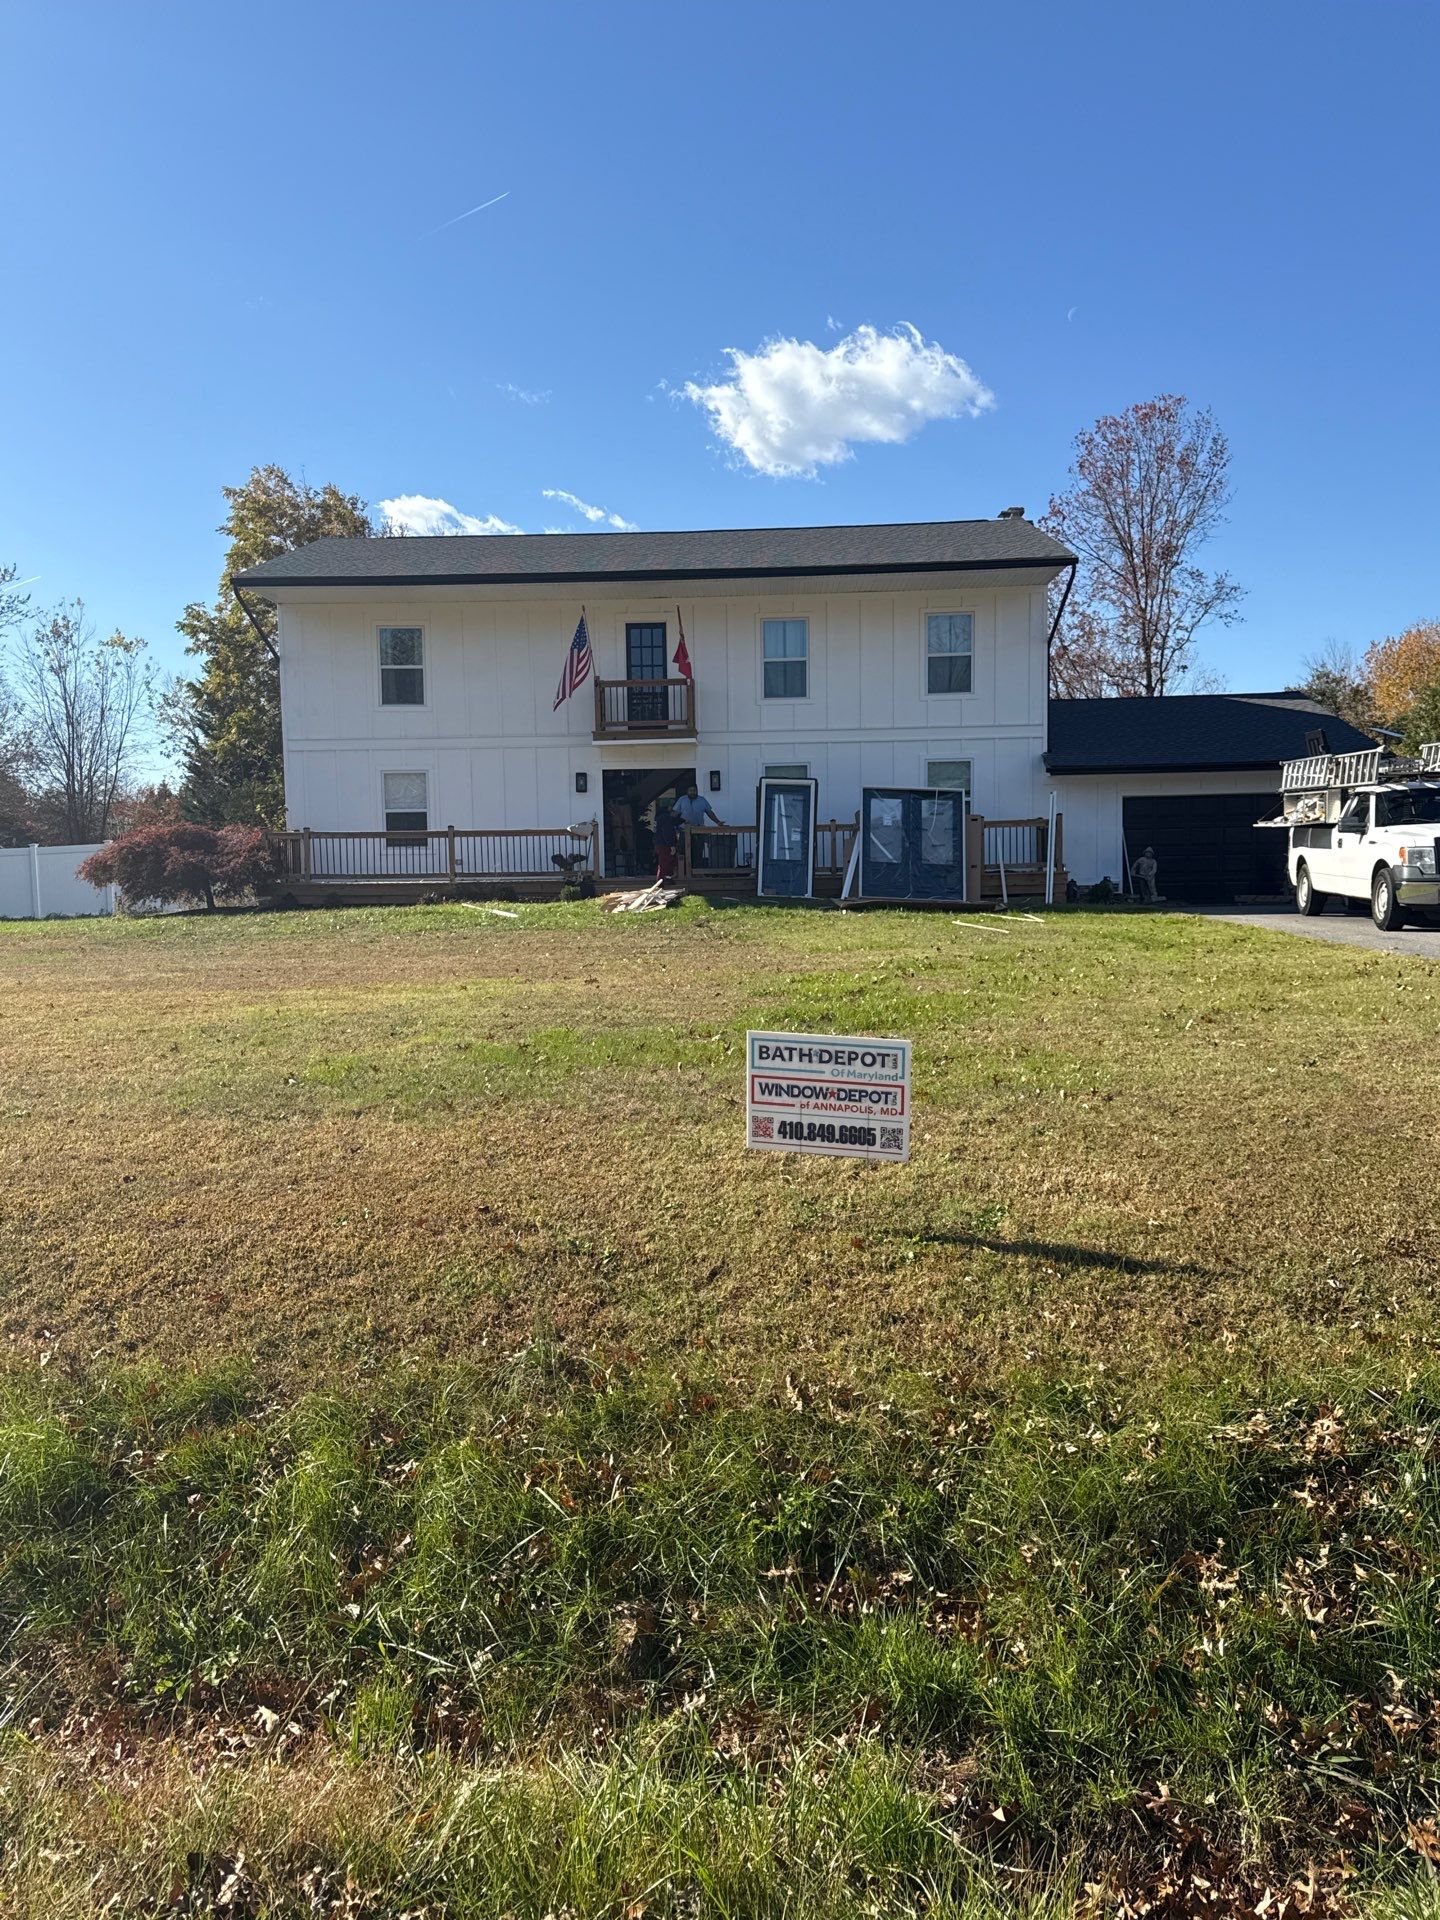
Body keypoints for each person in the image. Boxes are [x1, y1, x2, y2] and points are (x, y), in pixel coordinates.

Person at [672, 783, 723, 872]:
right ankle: (683, 872)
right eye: (691, 790)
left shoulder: (702, 800)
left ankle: (697, 872)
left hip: (698, 830)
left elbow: (709, 812)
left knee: (698, 852)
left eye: (694, 790)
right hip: (684, 830)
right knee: (683, 851)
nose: (693, 792)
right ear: (687, 791)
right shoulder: (682, 800)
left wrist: (718, 822)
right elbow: (674, 814)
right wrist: (671, 825)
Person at [652, 804, 680, 883]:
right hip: (664, 844)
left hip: (659, 843)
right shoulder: (666, 818)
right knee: (665, 863)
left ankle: (667, 878)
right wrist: (671, 844)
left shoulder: (659, 817)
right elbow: (667, 832)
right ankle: (661, 882)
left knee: (667, 862)